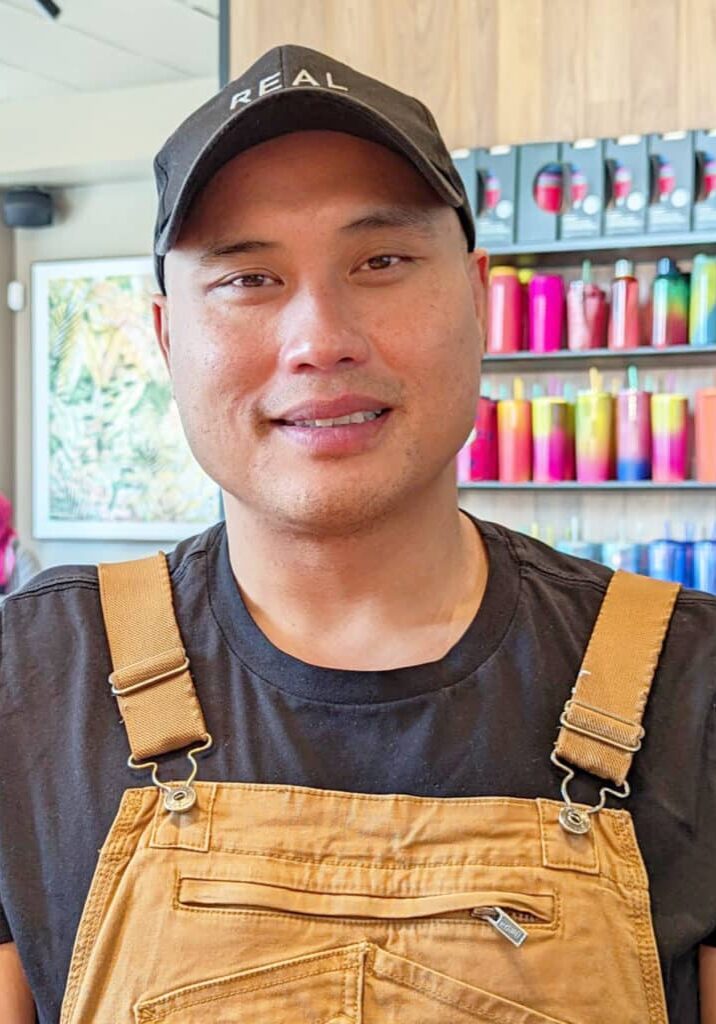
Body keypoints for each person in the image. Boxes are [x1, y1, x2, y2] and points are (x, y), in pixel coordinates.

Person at [0, 44, 714, 1024]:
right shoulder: (28, 685)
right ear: (168, 339)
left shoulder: (690, 686)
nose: (319, 336)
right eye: (248, 277)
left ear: (475, 295)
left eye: (378, 262)